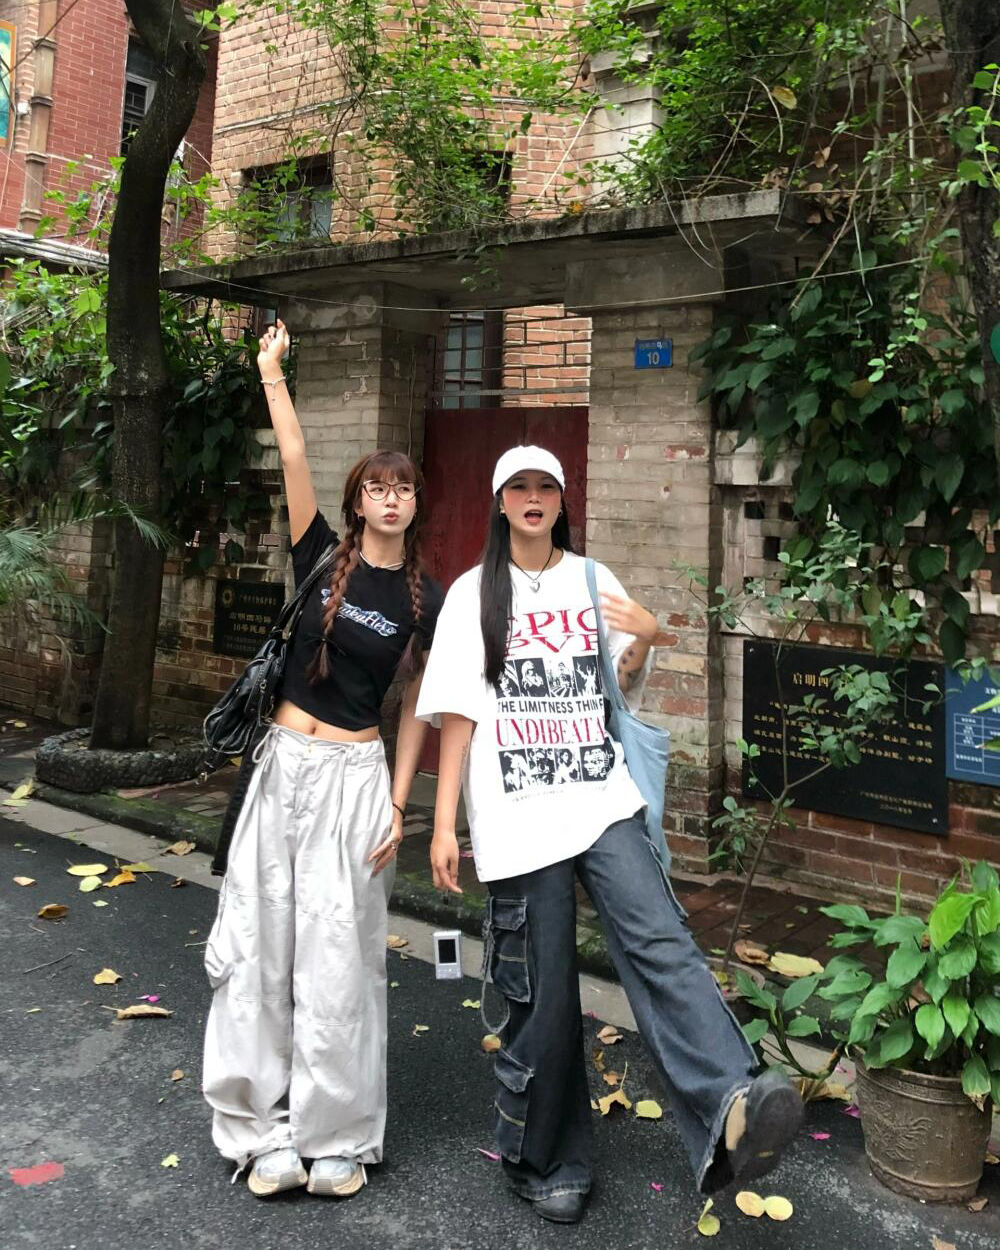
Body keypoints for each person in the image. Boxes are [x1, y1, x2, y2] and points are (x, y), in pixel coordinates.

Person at [416, 446, 802, 1225]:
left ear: (562, 502)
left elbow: (616, 688)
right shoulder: (470, 595)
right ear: (500, 502)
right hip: (519, 815)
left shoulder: (594, 581)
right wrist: (444, 822)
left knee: (661, 942)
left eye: (546, 487)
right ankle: (545, 1159)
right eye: (518, 487)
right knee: (545, 993)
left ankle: (733, 1101)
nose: (533, 497)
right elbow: (458, 715)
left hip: (600, 798)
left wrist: (648, 638)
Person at [202, 319, 443, 1200]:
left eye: (402, 488)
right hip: (282, 768)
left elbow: (419, 706)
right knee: (258, 944)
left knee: (340, 959)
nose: (390, 498)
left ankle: (335, 1134)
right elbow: (296, 456)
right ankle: (256, 1127)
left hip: (355, 780)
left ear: (415, 504)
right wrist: (272, 371)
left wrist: (400, 805)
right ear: (357, 501)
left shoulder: (426, 598)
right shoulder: (319, 555)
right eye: (377, 487)